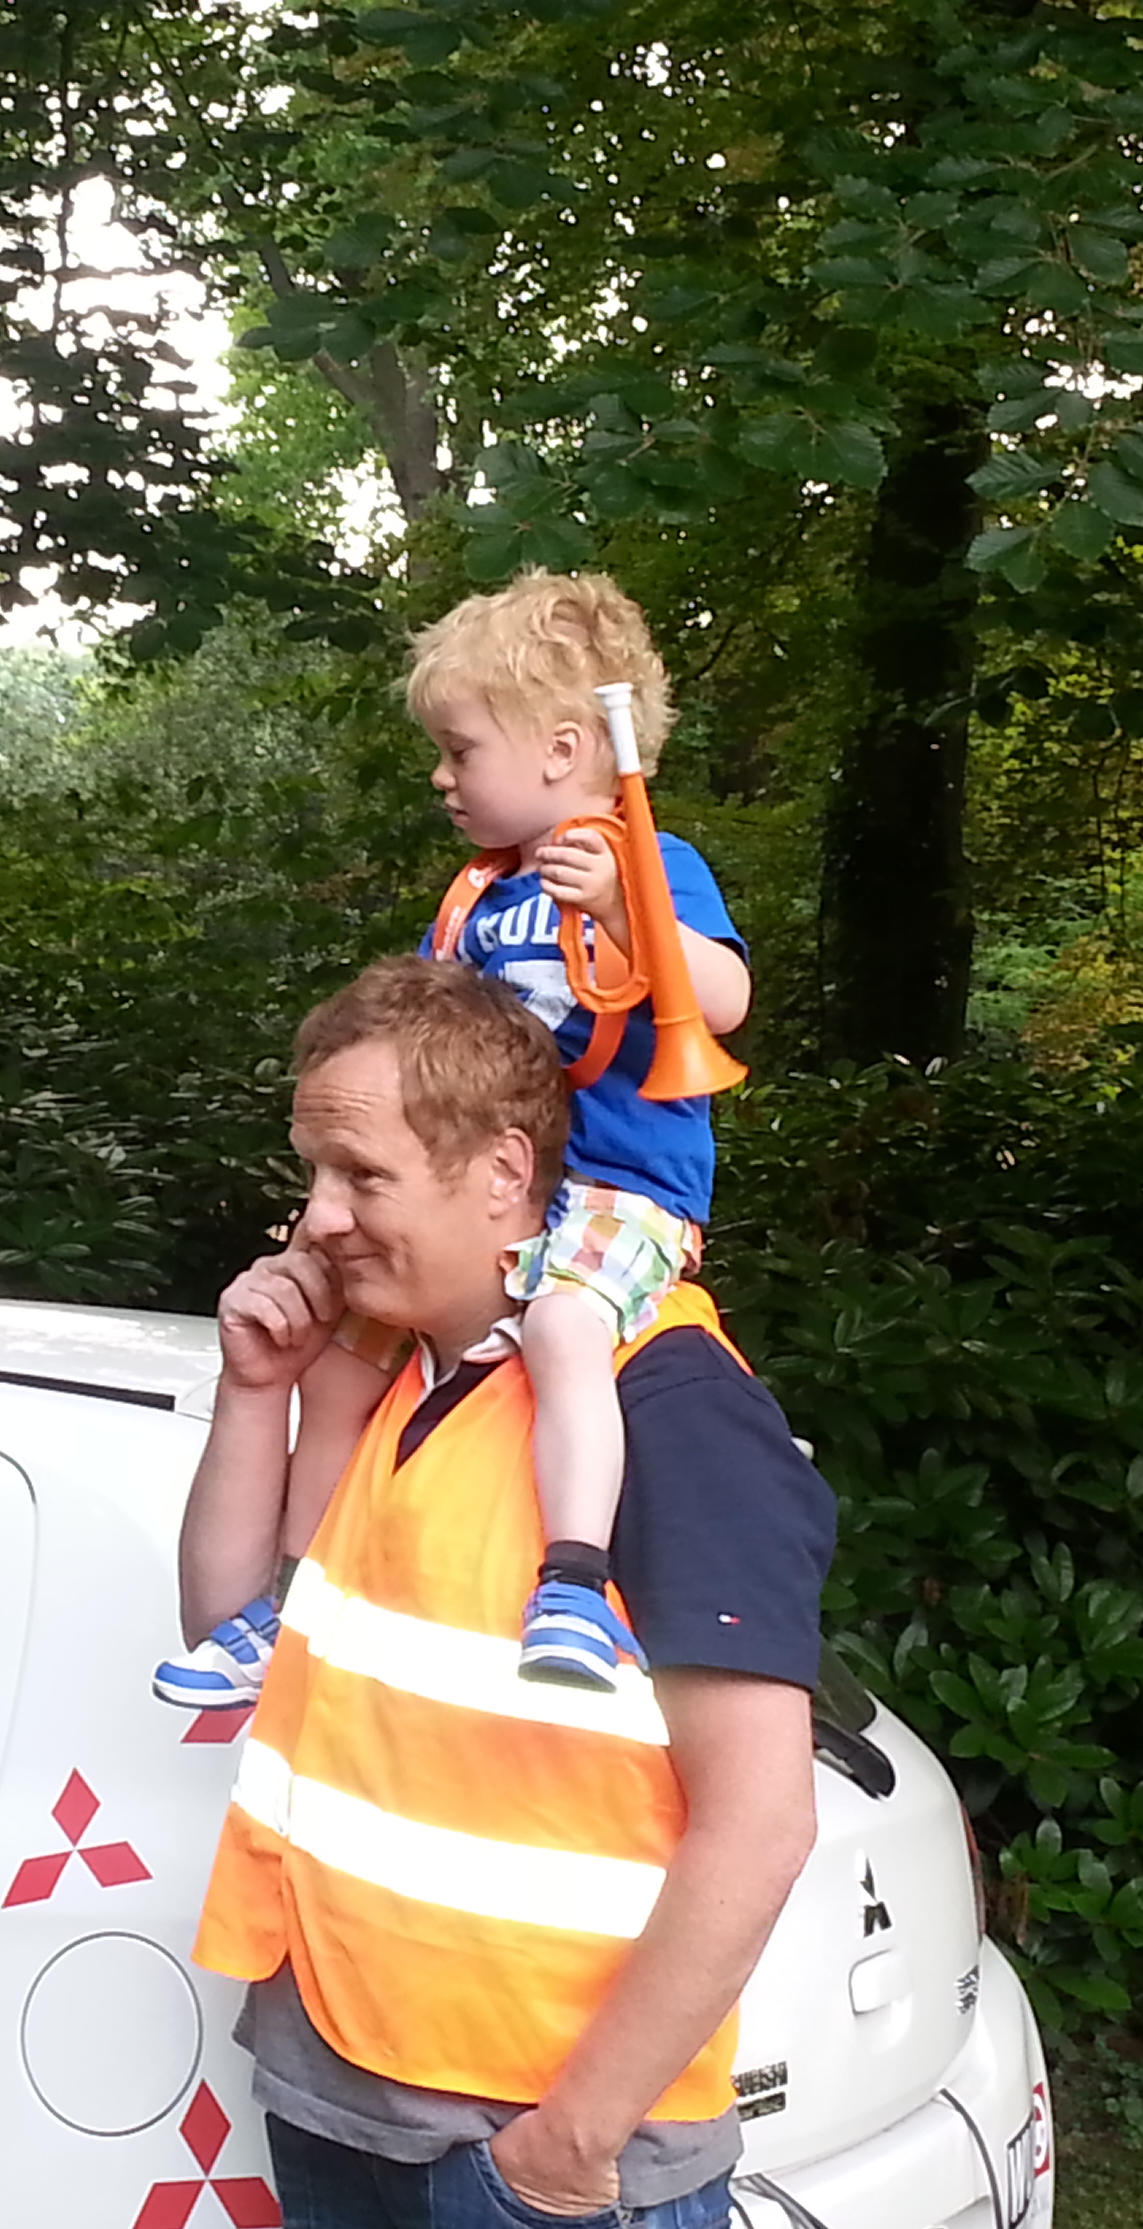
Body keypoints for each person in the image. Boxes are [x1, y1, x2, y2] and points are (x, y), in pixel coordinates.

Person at [179, 957, 829, 2229]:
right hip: (350, 2103)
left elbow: (762, 1822)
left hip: (538, 2167)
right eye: (312, 1172)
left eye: (361, 1175)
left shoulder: (665, 1405)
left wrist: (573, 2140)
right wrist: (255, 1393)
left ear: (500, 1176)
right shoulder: (410, 1374)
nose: (319, 1218)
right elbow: (233, 1632)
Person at [154, 570, 754, 1708]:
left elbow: (722, 999)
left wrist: (624, 910)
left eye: (460, 750)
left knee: (568, 1327)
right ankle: (293, 1598)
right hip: (502, 1190)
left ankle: (571, 1580)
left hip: (621, 1180)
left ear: (565, 748)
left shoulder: (650, 862)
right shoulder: (479, 893)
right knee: (341, 1365)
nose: (441, 776)